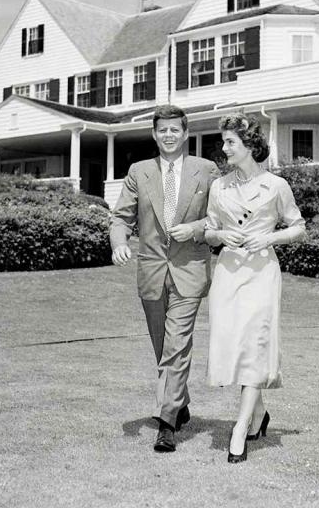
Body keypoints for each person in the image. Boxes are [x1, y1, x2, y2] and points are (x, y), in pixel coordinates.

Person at [110, 104, 219, 453]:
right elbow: (121, 217)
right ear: (154, 135)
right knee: (162, 347)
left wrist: (197, 228)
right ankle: (180, 402)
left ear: (185, 134)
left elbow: (219, 218)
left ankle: (166, 422)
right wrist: (118, 244)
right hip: (152, 270)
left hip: (190, 270)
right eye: (163, 130)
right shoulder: (138, 171)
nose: (169, 135)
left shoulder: (206, 169)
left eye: (175, 130)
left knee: (177, 344)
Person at [203, 113, 305, 463]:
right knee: (234, 344)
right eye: (225, 141)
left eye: (230, 142)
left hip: (262, 272)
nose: (224, 147)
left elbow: (298, 226)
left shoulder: (276, 186)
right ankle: (260, 413)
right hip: (229, 272)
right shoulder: (220, 186)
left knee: (256, 344)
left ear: (249, 146)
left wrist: (269, 237)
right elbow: (209, 230)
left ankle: (240, 427)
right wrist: (220, 235)